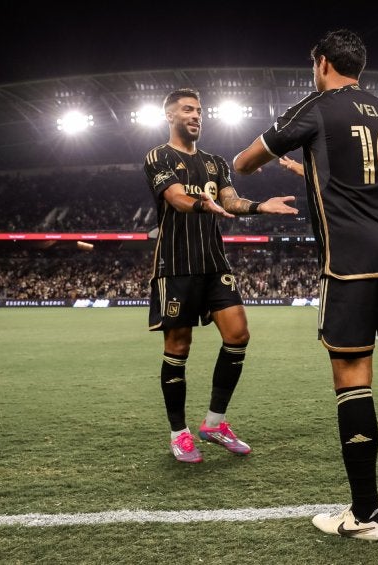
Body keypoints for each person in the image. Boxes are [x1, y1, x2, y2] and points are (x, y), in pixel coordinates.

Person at [233, 29, 378, 541]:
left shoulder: (316, 105)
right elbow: (356, 180)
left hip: (352, 262)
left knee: (352, 377)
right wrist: (306, 167)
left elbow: (243, 162)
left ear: (321, 63)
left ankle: (365, 516)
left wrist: (271, 153)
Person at [143, 87, 298, 464]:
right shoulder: (158, 156)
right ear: (170, 116)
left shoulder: (214, 163)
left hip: (215, 264)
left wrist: (260, 206)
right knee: (178, 349)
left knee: (238, 335)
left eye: (199, 110)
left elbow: (230, 201)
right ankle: (179, 433)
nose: (196, 116)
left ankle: (214, 423)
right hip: (176, 265)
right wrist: (202, 203)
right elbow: (177, 198)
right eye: (187, 110)